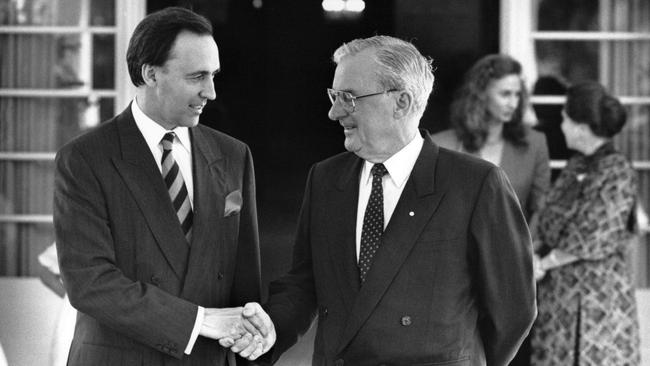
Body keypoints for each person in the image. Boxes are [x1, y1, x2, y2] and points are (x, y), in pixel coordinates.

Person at [256, 35, 536, 366]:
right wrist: (270, 329)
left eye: (348, 97)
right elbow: (304, 283)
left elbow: (513, 308)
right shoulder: (326, 179)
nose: (334, 112)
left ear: (400, 102)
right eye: (334, 96)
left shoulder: (476, 185)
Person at [53, 7, 274, 365]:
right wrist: (198, 321)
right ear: (150, 74)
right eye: (197, 76)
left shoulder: (234, 156)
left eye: (214, 75)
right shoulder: (84, 159)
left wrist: (255, 333)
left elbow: (243, 284)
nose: (212, 92)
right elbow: (89, 282)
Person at [531, 81, 640, 365]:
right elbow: (546, 216)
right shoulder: (576, 165)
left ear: (581, 127)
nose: (562, 126)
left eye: (565, 120)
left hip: (597, 299)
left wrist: (543, 263)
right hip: (560, 297)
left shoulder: (616, 171)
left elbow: (592, 235)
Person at [432, 54, 550, 221]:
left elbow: (540, 209)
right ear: (481, 94)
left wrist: (527, 246)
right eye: (505, 94)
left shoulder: (534, 143)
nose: (513, 103)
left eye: (517, 94)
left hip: (514, 245)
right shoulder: (440, 145)